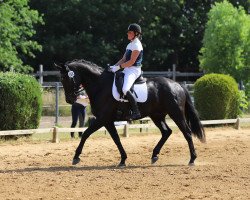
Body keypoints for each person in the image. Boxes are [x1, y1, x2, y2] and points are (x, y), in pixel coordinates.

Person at [109, 23, 143, 119]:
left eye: (130, 32)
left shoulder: (137, 45)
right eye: (128, 32)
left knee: (125, 89)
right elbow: (124, 59)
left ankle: (136, 111)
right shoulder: (130, 44)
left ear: (136, 34)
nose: (128, 34)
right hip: (127, 68)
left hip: (134, 70)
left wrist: (118, 67)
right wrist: (114, 66)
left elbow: (131, 62)